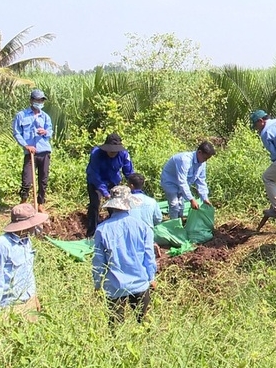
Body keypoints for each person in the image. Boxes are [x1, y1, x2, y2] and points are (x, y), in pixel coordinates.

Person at [92, 185, 157, 324]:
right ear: (129, 203)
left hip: (115, 286)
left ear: (112, 205)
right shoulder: (142, 226)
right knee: (145, 324)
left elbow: (99, 261)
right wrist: (151, 277)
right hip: (139, 283)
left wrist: (97, 284)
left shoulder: (102, 229)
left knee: (115, 327)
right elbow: (149, 256)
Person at [0, 203, 48, 320]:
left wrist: (34, 297)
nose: (36, 226)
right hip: (10, 306)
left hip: (28, 300)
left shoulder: (26, 241)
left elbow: (28, 272)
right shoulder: (1, 246)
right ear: (24, 226)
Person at [12, 89, 53, 213]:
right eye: (37, 100)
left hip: (44, 151)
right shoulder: (21, 116)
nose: (39, 103)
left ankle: (40, 203)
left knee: (43, 180)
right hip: (30, 153)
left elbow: (50, 131)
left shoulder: (45, 116)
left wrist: (45, 132)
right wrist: (26, 145)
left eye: (41, 100)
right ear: (31, 101)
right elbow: (17, 133)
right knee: (27, 180)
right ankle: (23, 202)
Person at [86, 133, 134, 237]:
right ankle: (91, 233)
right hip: (96, 182)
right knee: (95, 204)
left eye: (115, 151)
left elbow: (129, 172)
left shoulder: (124, 154)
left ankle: (116, 232)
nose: (113, 153)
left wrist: (133, 187)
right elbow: (94, 175)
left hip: (113, 180)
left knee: (115, 207)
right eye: (111, 150)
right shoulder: (96, 154)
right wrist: (105, 193)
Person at [160, 141, 216, 219]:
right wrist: (191, 199)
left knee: (181, 206)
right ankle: (174, 225)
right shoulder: (185, 160)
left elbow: (201, 181)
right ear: (199, 152)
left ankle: (180, 221)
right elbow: (182, 181)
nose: (206, 160)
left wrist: (205, 198)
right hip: (170, 181)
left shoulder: (202, 163)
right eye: (205, 158)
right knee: (174, 205)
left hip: (182, 184)